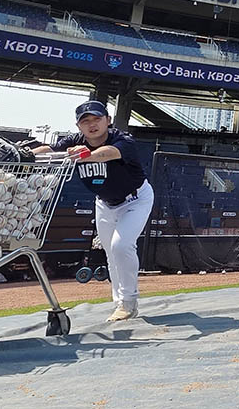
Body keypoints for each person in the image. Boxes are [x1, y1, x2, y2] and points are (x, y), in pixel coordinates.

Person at [33, 100, 153, 321]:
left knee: (122, 245)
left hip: (136, 199)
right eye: (85, 121)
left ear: (107, 120)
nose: (92, 124)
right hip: (105, 203)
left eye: (97, 119)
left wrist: (86, 154)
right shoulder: (75, 141)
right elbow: (48, 149)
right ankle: (120, 303)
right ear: (79, 126)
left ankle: (129, 302)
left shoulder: (122, 139)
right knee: (110, 253)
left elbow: (109, 153)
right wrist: (27, 154)